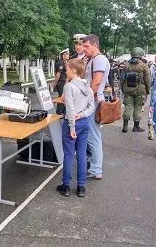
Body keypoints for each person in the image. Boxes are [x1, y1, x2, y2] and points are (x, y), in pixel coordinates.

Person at [56, 58, 95, 197]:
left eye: (67, 69)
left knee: (68, 154)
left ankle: (66, 186)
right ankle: (81, 187)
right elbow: (92, 107)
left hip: (71, 123)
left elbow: (70, 108)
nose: (65, 71)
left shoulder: (69, 87)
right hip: (84, 122)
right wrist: (82, 114)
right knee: (82, 154)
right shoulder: (88, 87)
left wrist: (72, 125)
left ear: (73, 70)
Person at [83, 34, 110, 179]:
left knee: (93, 137)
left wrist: (85, 101)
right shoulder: (94, 59)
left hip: (92, 101)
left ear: (95, 45)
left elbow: (96, 82)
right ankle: (95, 167)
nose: (84, 49)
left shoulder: (99, 59)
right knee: (93, 135)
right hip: (93, 100)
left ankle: (96, 169)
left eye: (87, 46)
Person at [120, 47, 151, 133]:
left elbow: (122, 79)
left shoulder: (126, 65)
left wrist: (122, 88)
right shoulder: (144, 66)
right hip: (140, 91)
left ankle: (125, 126)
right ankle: (136, 127)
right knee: (138, 107)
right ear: (141, 55)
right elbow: (148, 80)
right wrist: (148, 90)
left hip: (128, 90)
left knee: (128, 107)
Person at [53, 48, 70, 115]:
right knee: (61, 97)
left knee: (64, 96)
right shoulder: (60, 63)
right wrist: (55, 83)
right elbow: (58, 74)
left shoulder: (65, 62)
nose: (68, 55)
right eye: (67, 54)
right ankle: (59, 112)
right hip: (61, 82)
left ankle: (62, 111)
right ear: (63, 55)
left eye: (68, 54)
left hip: (64, 82)